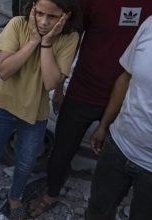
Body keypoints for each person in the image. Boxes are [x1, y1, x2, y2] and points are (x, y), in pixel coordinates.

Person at [0, 0, 80, 219]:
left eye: (52, 16)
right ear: (31, 8)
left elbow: (50, 82)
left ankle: (15, 199)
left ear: (66, 16)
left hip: (34, 112)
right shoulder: (17, 25)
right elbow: (5, 71)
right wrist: (33, 42)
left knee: (25, 163)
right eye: (39, 13)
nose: (43, 21)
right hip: (3, 106)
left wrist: (47, 43)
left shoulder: (69, 38)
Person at [28, 1, 152, 217]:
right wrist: (59, 89)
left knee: (112, 162)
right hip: (83, 91)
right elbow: (71, 40)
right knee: (62, 151)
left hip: (123, 100)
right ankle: (52, 193)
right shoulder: (93, 3)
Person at [87, 16, 152, 220]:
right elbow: (125, 77)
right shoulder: (150, 24)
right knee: (98, 210)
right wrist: (104, 125)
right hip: (118, 147)